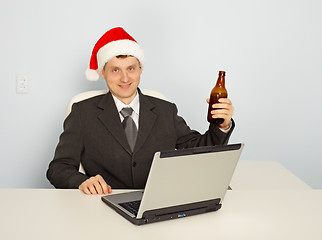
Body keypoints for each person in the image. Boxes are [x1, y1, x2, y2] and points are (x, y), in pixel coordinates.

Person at [46, 27, 235, 195]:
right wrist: (82, 182)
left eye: (131, 68)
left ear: (140, 70)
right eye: (115, 70)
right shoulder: (82, 112)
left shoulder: (165, 110)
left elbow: (199, 150)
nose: (125, 78)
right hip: (105, 204)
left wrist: (222, 126)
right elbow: (58, 168)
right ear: (102, 73)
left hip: (157, 202)